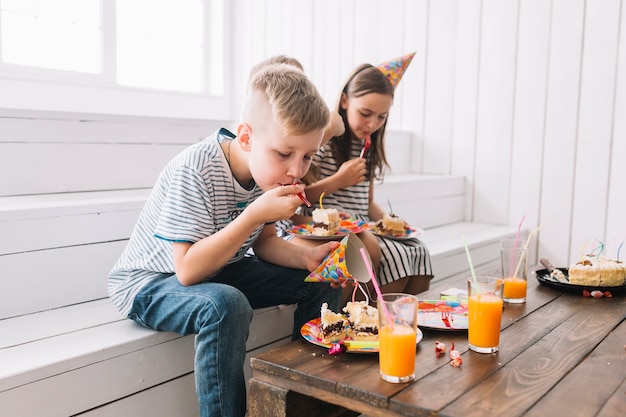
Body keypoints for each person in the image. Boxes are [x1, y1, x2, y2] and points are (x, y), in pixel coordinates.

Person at [107, 63, 341, 417]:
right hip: (150, 284)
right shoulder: (197, 168)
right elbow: (186, 271)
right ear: (246, 138)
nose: (296, 170)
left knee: (323, 281)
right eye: (284, 153)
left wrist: (306, 260)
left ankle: (304, 400)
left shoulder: (266, 179)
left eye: (307, 156)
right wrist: (254, 214)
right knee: (226, 305)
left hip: (218, 272)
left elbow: (263, 243)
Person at [282, 53, 433, 306]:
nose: (373, 124)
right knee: (388, 252)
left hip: (360, 223)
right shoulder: (321, 141)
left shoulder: (368, 146)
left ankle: (388, 318)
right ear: (344, 101)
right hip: (320, 227)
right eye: (365, 113)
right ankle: (366, 314)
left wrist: (388, 221)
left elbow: (368, 201)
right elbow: (299, 199)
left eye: (382, 117)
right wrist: (338, 181)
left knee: (416, 248)